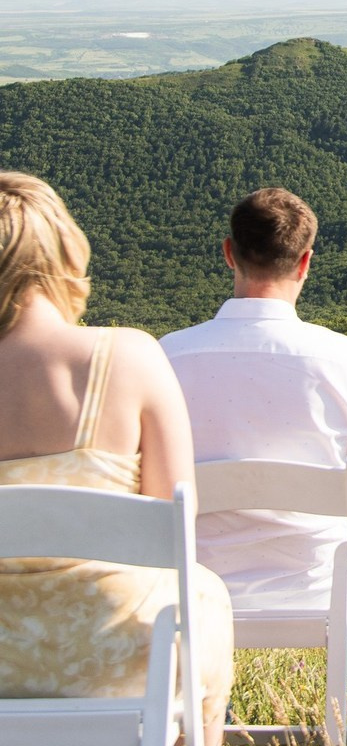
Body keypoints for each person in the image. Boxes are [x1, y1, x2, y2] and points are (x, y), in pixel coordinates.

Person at [0, 171, 234, 745]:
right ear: (63, 252)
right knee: (205, 595)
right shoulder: (129, 358)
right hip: (120, 657)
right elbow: (176, 524)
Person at [160, 187, 347, 704]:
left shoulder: (169, 356)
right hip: (317, 579)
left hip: (196, 579)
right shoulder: (346, 359)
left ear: (228, 253)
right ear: (306, 262)